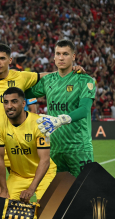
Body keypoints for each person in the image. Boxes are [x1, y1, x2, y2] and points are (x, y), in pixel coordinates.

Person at [26, 40, 96, 177]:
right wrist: (2, 75)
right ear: (54, 57)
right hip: (55, 149)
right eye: (58, 54)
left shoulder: (85, 80)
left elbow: (84, 110)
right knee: (58, 195)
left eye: (65, 54)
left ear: (73, 57)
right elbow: (22, 91)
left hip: (79, 148)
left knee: (85, 193)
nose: (61, 57)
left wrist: (61, 120)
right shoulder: (48, 80)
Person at [0, 88, 57, 202]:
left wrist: (31, 189)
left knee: (47, 210)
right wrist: (4, 190)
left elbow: (45, 160)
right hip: (18, 176)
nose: (9, 106)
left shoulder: (39, 124)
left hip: (45, 174)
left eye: (14, 101)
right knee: (5, 208)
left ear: (23, 103)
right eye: (6, 102)